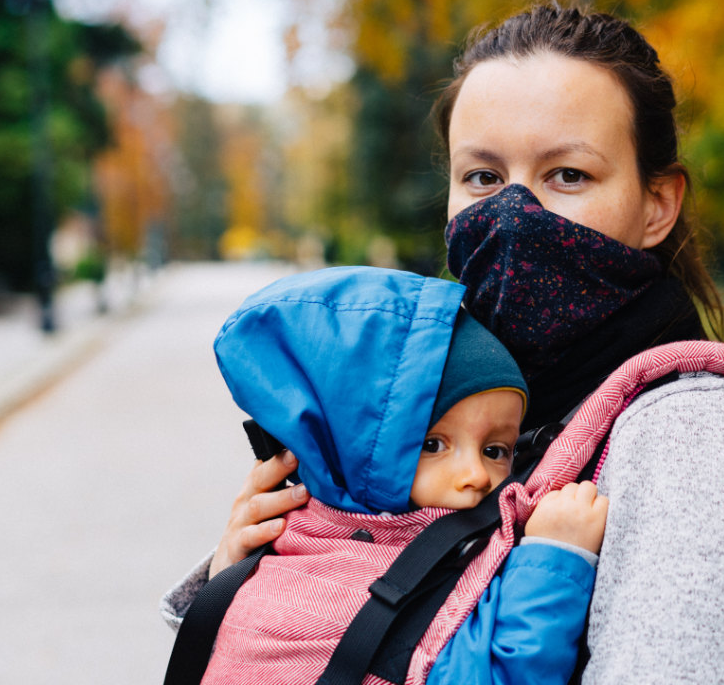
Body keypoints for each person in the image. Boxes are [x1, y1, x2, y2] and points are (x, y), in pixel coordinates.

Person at [165, 3, 724, 683]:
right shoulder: (443, 390)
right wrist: (257, 574)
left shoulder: (694, 437)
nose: (513, 215)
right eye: (482, 177)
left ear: (658, 204)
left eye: (567, 175)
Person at [179, 266, 608, 684]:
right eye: (433, 444)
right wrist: (556, 559)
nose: (476, 474)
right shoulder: (300, 579)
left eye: (495, 450)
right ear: (352, 447)